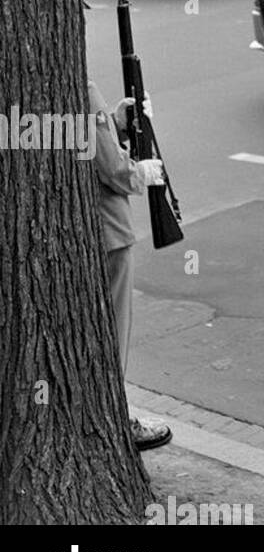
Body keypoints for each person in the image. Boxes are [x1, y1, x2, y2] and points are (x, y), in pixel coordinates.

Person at [88, 77, 172, 451]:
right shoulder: (80, 83)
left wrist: (116, 122)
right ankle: (115, 416)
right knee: (114, 334)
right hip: (111, 231)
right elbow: (112, 169)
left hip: (92, 230)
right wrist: (142, 173)